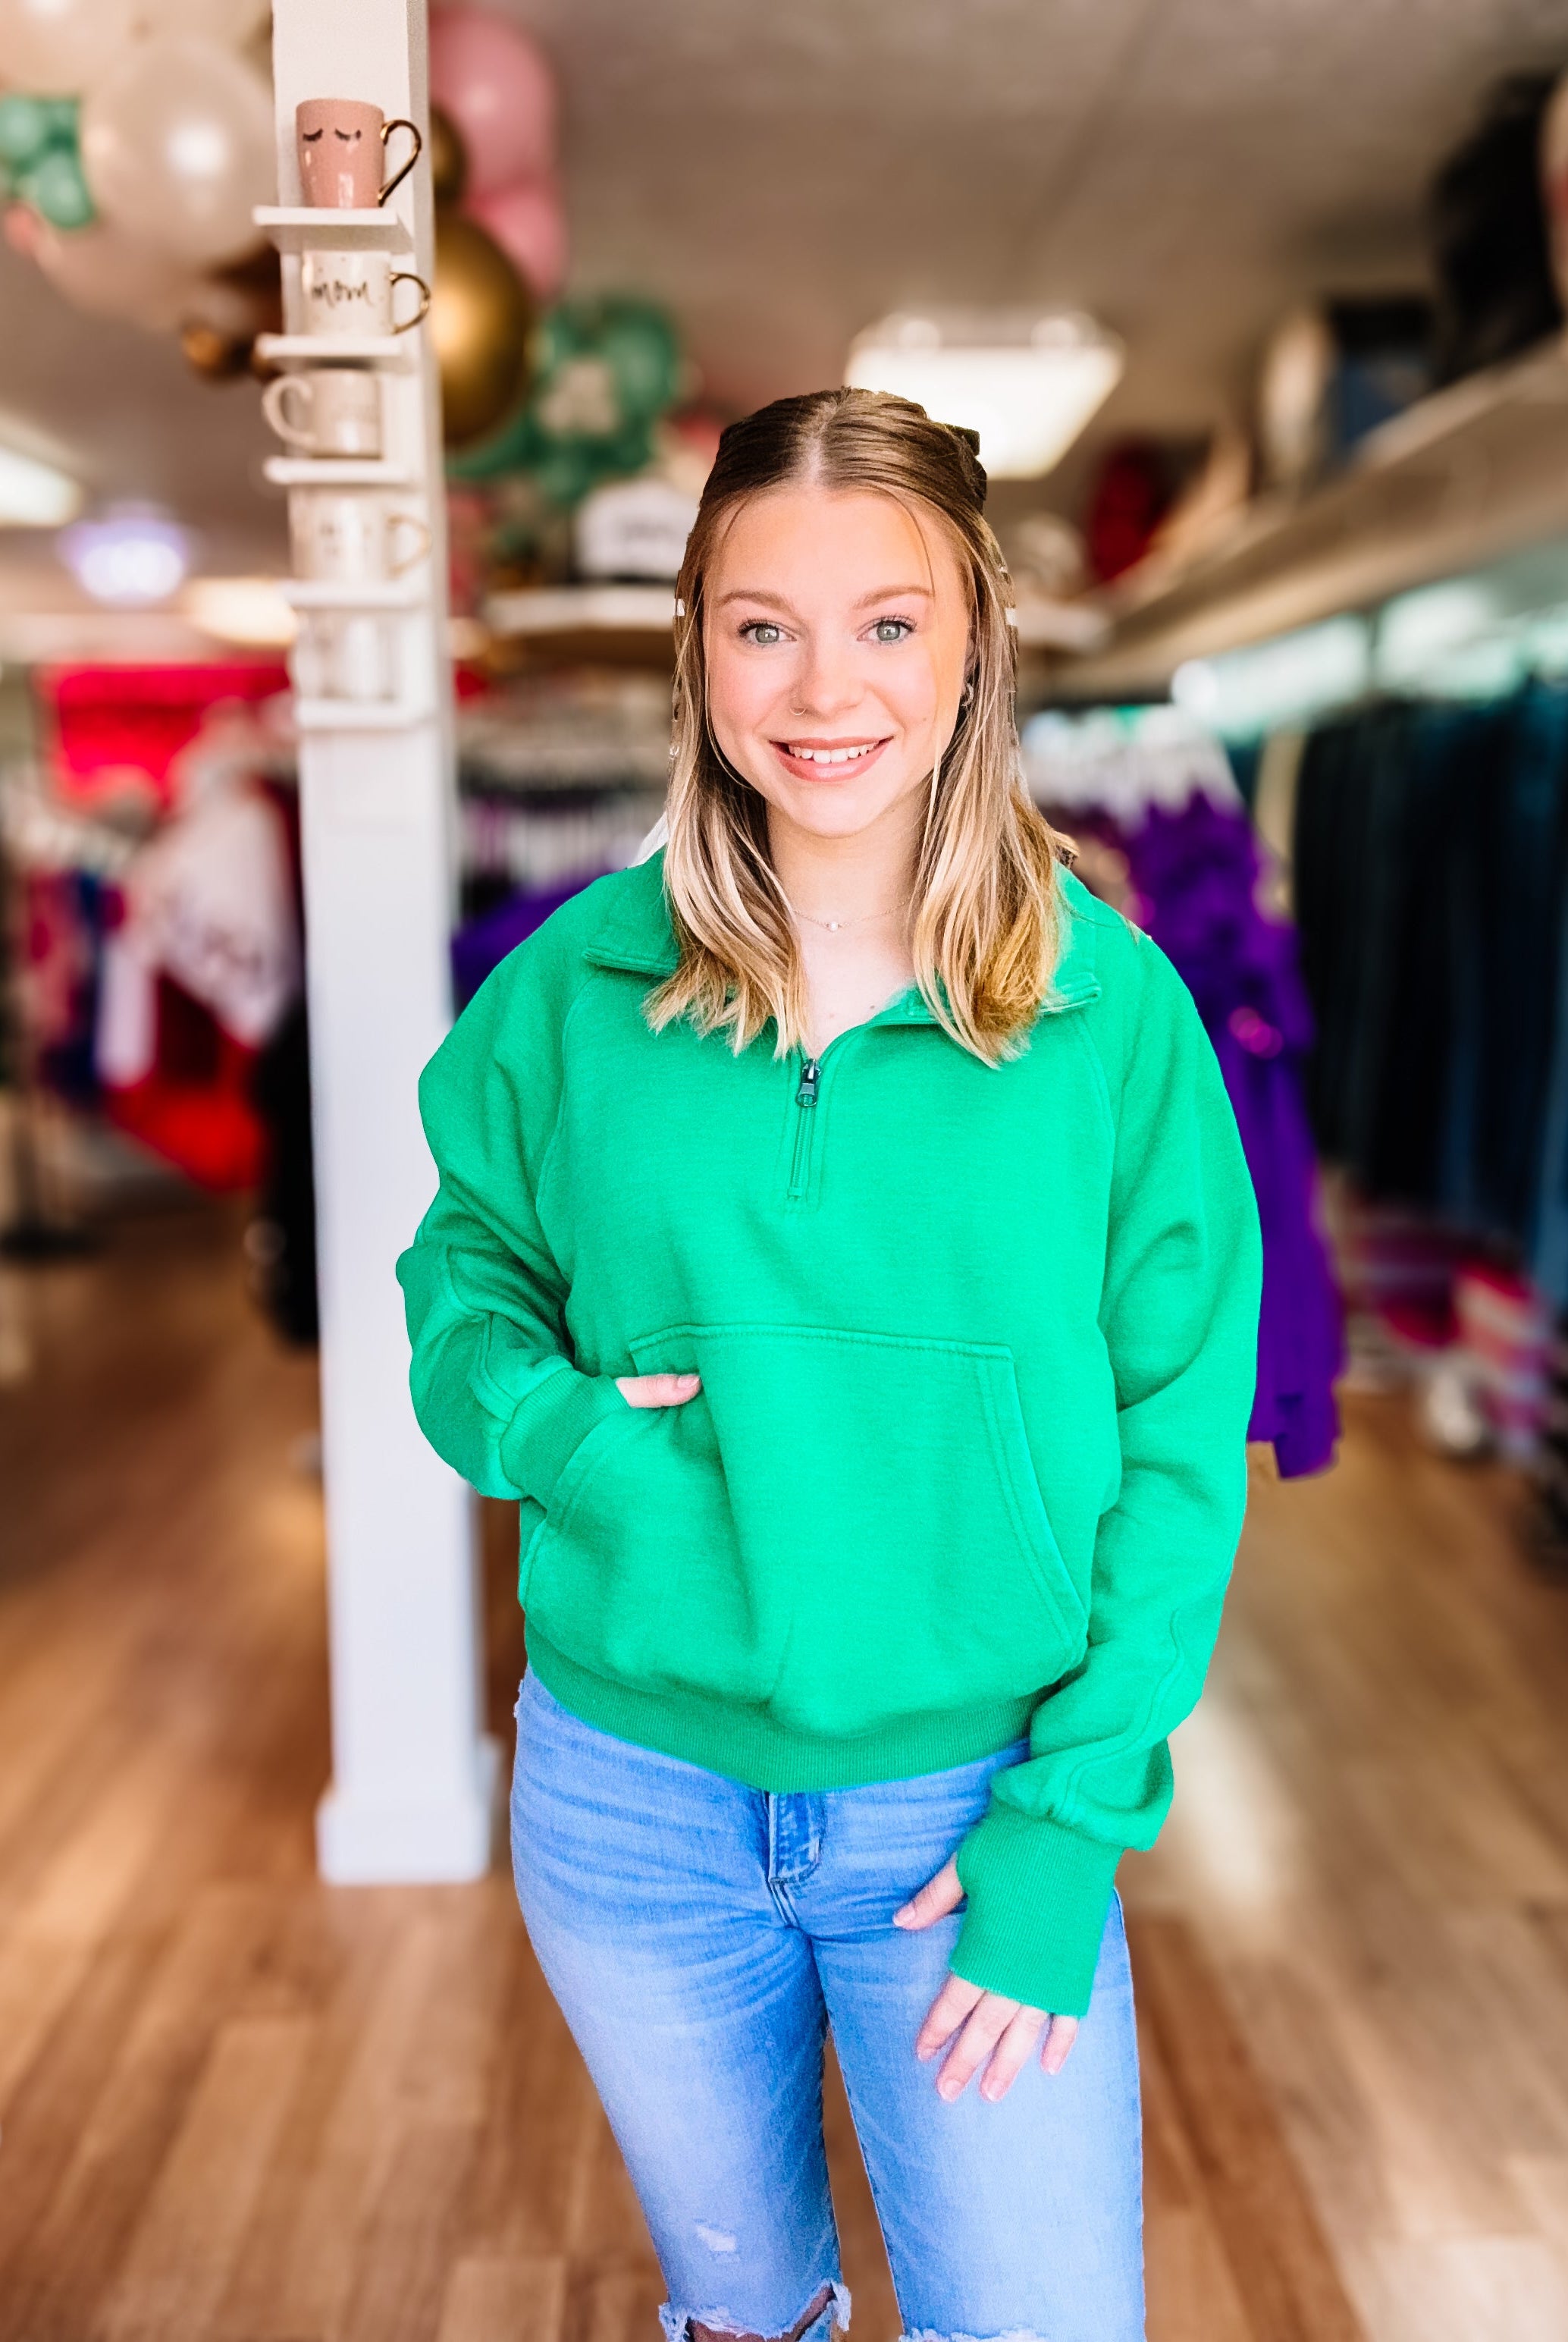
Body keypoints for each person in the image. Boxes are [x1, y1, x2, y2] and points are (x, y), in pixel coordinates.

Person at [398, 388, 1262, 2342]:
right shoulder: (576, 985)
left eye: (889, 620)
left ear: (976, 643)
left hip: (970, 1817)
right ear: (695, 640)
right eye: (761, 623)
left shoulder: (1102, 1010)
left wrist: (1071, 1827)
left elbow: (1183, 1441)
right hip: (630, 1803)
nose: (822, 688)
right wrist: (553, 1431)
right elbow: (463, 1273)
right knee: (743, 2317)